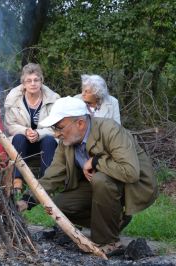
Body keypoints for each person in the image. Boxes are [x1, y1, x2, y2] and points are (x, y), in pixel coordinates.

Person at [20, 96, 158, 254]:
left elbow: (131, 172)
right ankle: (113, 222)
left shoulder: (111, 130)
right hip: (96, 187)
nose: (56, 134)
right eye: (54, 128)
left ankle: (108, 241)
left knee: (101, 179)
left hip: (126, 188)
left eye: (59, 127)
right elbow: (53, 175)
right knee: (58, 205)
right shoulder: (67, 142)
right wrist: (27, 200)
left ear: (80, 123)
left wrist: (95, 162)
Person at [4, 63, 60, 192]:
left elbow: (57, 127)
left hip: (45, 141)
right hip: (23, 142)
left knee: (49, 141)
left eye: (36, 80)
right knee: (18, 138)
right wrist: (25, 131)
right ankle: (17, 180)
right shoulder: (13, 99)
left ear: (41, 81)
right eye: (28, 81)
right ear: (23, 84)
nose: (33, 83)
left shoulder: (53, 99)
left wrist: (39, 133)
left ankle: (44, 183)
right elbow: (9, 125)